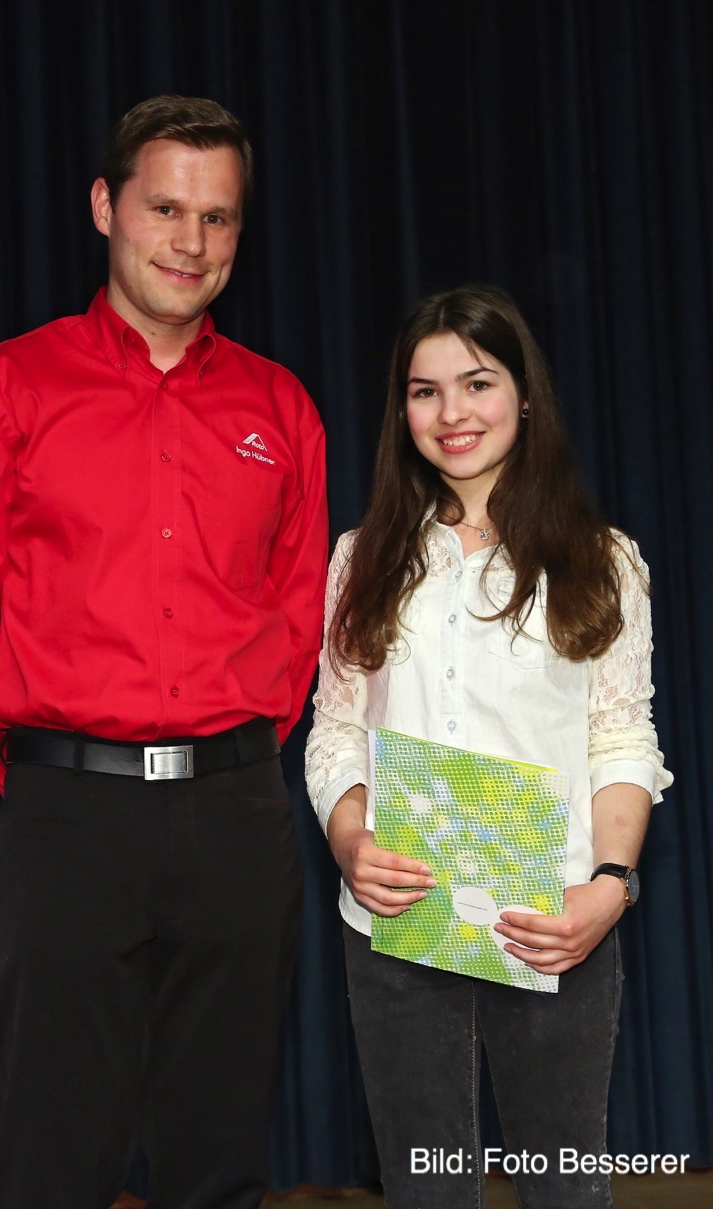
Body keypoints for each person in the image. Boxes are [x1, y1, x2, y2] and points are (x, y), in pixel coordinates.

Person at [0, 95, 328, 1209]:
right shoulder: (1, 390)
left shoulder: (279, 406)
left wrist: (236, 754)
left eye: (218, 217)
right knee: (51, 1154)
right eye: (166, 209)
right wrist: (43, 771)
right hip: (70, 816)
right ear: (105, 206)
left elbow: (297, 619)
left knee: (219, 1157)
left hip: (236, 816)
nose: (191, 242)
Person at [306, 285, 671, 1209]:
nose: (451, 413)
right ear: (402, 412)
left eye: (476, 383)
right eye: (424, 392)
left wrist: (608, 885)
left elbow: (620, 734)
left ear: (523, 395)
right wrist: (350, 840)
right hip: (398, 921)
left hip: (551, 918)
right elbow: (337, 726)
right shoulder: (360, 558)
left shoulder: (602, 558)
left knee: (563, 1185)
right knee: (425, 1187)